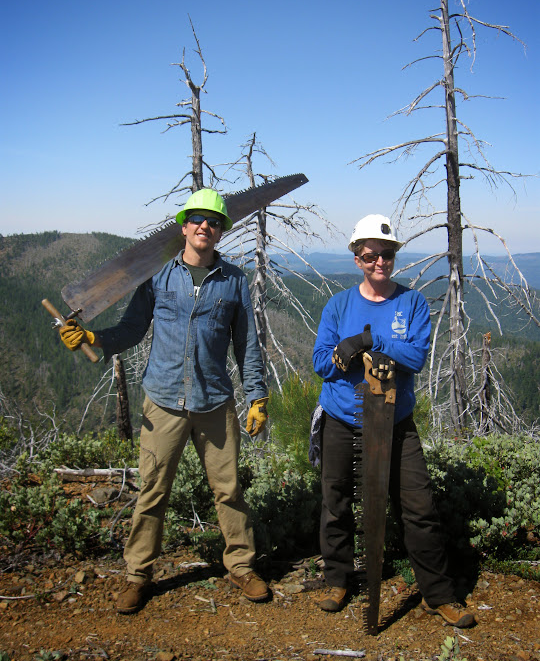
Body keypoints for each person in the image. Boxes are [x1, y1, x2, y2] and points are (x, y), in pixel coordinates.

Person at [59, 188, 270, 613]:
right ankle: (138, 575)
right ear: (183, 227)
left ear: (221, 231)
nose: (204, 226)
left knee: (229, 490)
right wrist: (92, 338)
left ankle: (242, 567)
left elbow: (247, 344)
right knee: (153, 491)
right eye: (197, 219)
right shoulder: (158, 275)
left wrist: (257, 396)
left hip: (214, 403)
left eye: (213, 221)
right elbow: (132, 329)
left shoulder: (234, 281)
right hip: (163, 400)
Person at [311, 213, 475, 628]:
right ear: (357, 259)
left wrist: (370, 340)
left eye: (386, 254)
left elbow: (415, 357)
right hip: (341, 418)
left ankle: (438, 594)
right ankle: (338, 580)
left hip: (395, 421)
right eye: (370, 255)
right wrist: (347, 354)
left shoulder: (412, 303)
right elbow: (321, 363)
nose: (379, 262)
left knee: (419, 507)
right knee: (335, 502)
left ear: (394, 256)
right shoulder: (338, 305)